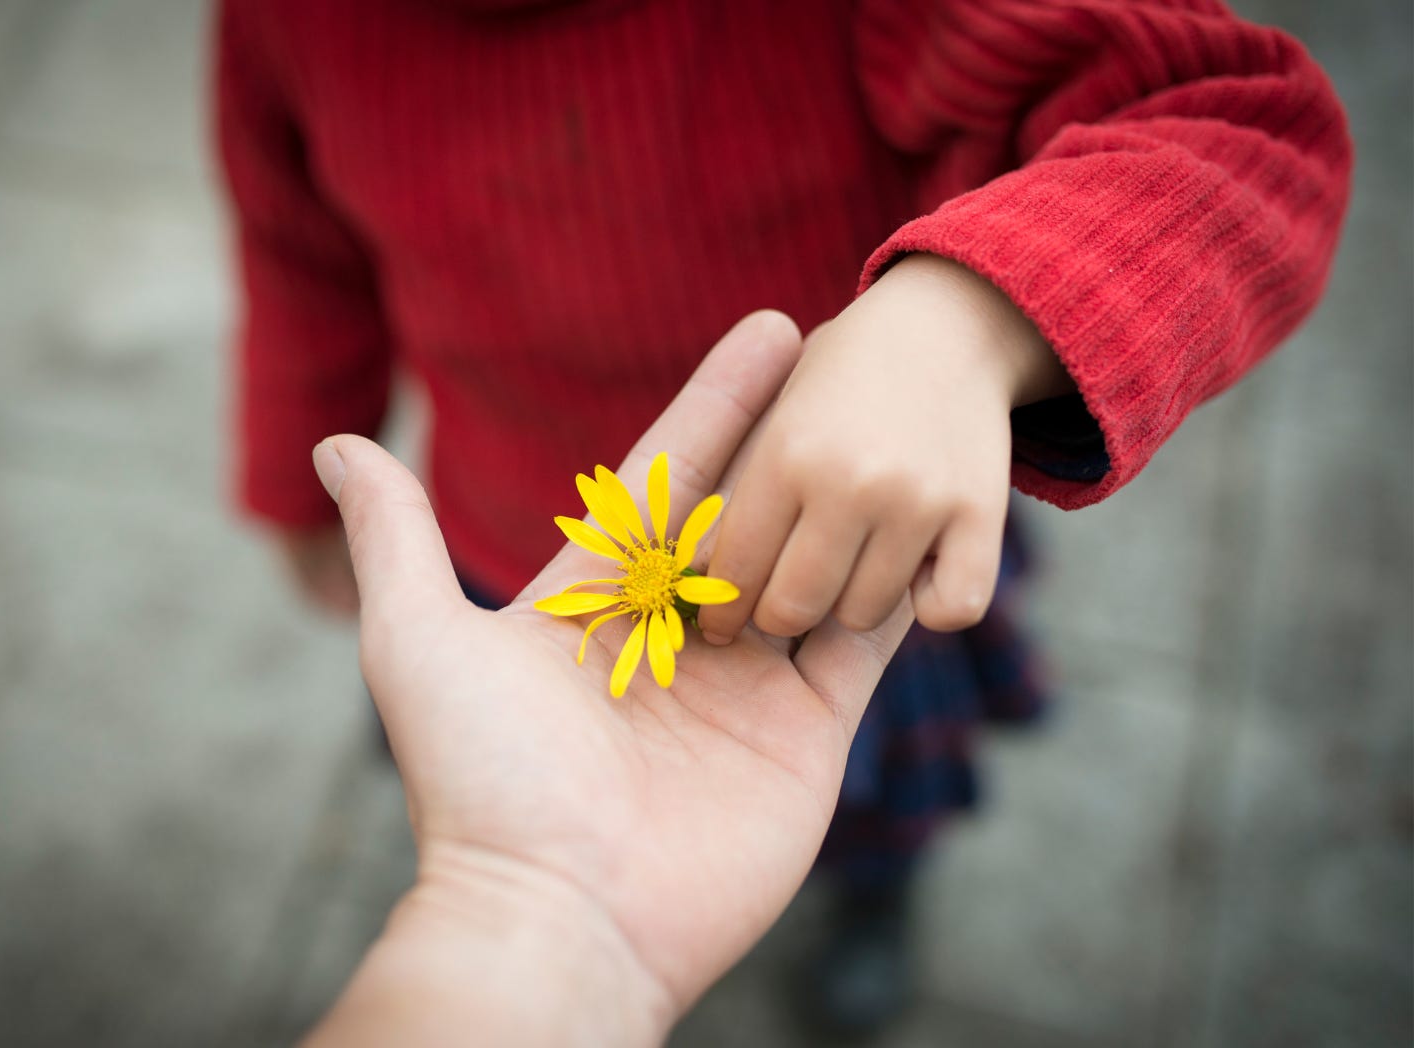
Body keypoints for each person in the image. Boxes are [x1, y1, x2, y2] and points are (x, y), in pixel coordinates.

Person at [214, 0, 1350, 1032]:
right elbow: (296, 252)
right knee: (503, 761)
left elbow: (1246, 126)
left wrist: (969, 318)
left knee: (860, 787)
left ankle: (873, 894)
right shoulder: (288, 24)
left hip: (844, 580)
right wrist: (293, 475)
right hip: (518, 559)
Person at [301, 321, 918, 1045]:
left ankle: (878, 896)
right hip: (489, 510)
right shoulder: (614, 608)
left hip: (843, 469)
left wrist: (948, 318)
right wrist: (524, 894)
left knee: (887, 774)